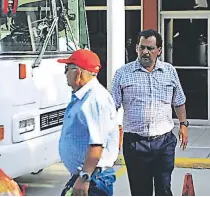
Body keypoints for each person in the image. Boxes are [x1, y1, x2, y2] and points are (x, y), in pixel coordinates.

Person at [111, 29, 188, 196]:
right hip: (135, 143)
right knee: (140, 191)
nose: (145, 52)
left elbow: (179, 100)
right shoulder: (122, 74)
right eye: (142, 47)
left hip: (164, 142)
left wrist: (183, 124)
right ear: (136, 49)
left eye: (150, 48)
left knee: (164, 189)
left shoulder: (169, 71)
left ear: (159, 51)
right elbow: (112, 107)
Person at [58, 49, 119, 196]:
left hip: (93, 179)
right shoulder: (85, 96)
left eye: (67, 69)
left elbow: (96, 144)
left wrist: (85, 177)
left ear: (78, 73)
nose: (65, 74)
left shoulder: (94, 100)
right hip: (87, 175)